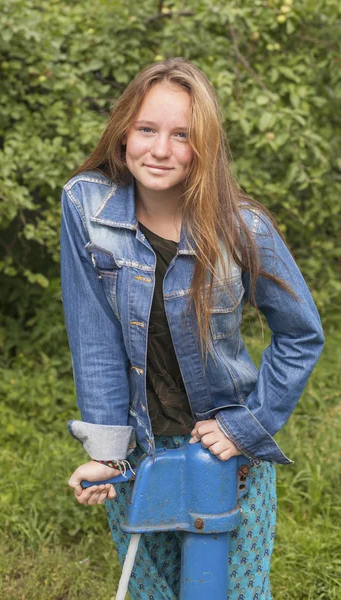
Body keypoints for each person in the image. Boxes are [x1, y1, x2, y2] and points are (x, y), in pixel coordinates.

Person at [60, 57, 324, 599]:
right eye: (147, 129)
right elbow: (95, 339)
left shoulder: (241, 226)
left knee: (229, 591)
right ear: (123, 130)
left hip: (227, 451)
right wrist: (107, 452)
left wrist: (246, 426)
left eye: (182, 135)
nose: (160, 149)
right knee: (151, 591)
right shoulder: (86, 205)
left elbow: (301, 334)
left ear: (204, 145)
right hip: (140, 449)